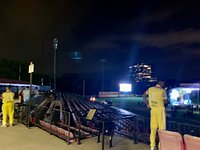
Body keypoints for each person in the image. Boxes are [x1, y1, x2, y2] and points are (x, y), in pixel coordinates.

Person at [143, 81, 167, 150]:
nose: (164, 86)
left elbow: (144, 96)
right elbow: (165, 101)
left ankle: (152, 146)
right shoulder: (163, 91)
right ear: (161, 85)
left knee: (153, 129)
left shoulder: (150, 89)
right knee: (162, 130)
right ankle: (160, 146)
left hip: (153, 111)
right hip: (160, 111)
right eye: (163, 84)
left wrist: (147, 103)